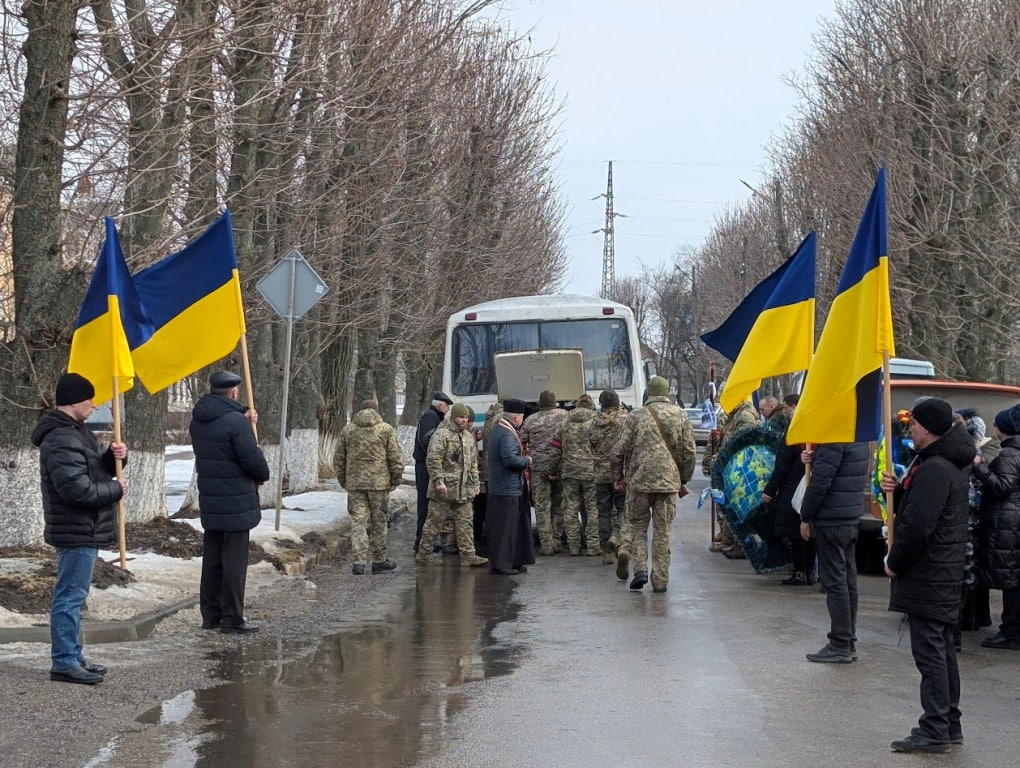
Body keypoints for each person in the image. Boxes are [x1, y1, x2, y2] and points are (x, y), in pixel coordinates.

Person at [880, 397, 971, 753]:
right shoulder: (943, 461)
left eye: (914, 424)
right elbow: (922, 507)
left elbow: (919, 526)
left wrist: (895, 561)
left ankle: (934, 728)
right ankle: (949, 723)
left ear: (930, 429)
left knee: (931, 653)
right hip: (942, 573)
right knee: (942, 650)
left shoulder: (935, 468)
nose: (910, 429)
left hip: (930, 574)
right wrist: (900, 490)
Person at [32, 373, 127, 684]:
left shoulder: (77, 432)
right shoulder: (61, 438)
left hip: (84, 527)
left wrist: (113, 458)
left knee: (74, 595)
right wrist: (116, 490)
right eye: (89, 399)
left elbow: (92, 470)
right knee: (69, 597)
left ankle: (73, 655)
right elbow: (76, 490)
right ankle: (63, 661)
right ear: (74, 401)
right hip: (75, 528)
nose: (94, 404)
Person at [190, 371, 270, 634]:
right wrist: (263, 473)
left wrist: (243, 414)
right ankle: (233, 618)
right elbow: (252, 460)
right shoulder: (236, 423)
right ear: (234, 392)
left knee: (212, 559)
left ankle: (210, 615)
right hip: (236, 501)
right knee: (234, 562)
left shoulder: (199, 419)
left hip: (211, 499)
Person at [611, 376, 696, 593]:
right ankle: (660, 580)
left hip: (639, 483)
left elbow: (618, 451)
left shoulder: (636, 416)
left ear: (648, 393)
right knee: (663, 531)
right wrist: (683, 478)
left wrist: (618, 478)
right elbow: (689, 451)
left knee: (638, 527)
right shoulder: (680, 415)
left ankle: (640, 568)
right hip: (668, 484)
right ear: (667, 393)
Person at [799, 439, 870, 663]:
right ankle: (848, 640)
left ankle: (840, 642)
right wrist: (814, 458)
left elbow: (821, 482)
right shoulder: (859, 439)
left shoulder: (834, 441)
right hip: (850, 516)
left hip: (832, 518)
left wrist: (805, 515)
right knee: (848, 580)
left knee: (835, 582)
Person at [335, 398, 403, 575]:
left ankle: (359, 562)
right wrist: (395, 479)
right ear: (376, 410)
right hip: (379, 485)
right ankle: (379, 560)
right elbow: (395, 457)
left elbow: (339, 458)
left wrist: (343, 480)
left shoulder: (348, 430)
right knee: (379, 522)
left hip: (355, 484)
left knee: (358, 522)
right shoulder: (386, 429)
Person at [416, 403, 489, 568]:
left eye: (466, 418)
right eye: (461, 417)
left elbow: (472, 464)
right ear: (454, 417)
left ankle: (468, 555)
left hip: (463, 490)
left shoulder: (468, 437)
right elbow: (433, 460)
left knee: (465, 523)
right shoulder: (441, 435)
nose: (464, 420)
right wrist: (438, 481)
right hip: (444, 490)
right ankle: (424, 553)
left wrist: (475, 483)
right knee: (434, 523)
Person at [973, 403, 1020, 651]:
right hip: (1011, 523)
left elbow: (1002, 486)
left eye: (997, 424)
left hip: (1008, 525)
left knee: (1011, 581)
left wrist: (979, 466)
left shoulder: (1010, 454)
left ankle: (1010, 633)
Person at [762, 399, 811, 585]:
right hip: (808, 486)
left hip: (793, 490)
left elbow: (782, 466)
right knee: (809, 534)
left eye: (787, 407)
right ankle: (809, 573)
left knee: (796, 534)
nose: (785, 411)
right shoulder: (814, 430)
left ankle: (800, 572)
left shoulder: (794, 432)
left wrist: (770, 491)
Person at [485, 398, 536, 575]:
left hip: (507, 487)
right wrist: (527, 461)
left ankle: (513, 560)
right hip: (506, 488)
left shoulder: (500, 430)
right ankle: (501, 564)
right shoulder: (506, 434)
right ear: (517, 417)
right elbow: (510, 460)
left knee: (512, 527)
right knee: (505, 529)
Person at [704, 397, 759, 557]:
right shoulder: (734, 414)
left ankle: (736, 542)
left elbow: (742, 442)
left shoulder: (744, 416)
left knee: (735, 506)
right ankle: (728, 538)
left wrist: (724, 455)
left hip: (738, 467)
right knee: (725, 502)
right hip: (730, 465)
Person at [519, 390, 567, 555]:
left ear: (540, 403)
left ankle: (546, 545)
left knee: (542, 506)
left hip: (538, 469)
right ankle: (557, 540)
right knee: (558, 505)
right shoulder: (564, 416)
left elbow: (521, 441)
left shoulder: (531, 420)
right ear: (555, 402)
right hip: (560, 467)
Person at [554, 393, 601, 556]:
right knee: (593, 508)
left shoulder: (564, 422)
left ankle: (574, 546)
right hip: (591, 471)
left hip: (569, 471)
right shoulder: (596, 421)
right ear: (591, 406)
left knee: (570, 509)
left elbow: (555, 448)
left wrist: (552, 469)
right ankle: (593, 546)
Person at [413, 391, 453, 553]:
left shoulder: (434, 417)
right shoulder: (431, 416)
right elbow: (427, 440)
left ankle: (424, 541)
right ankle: (421, 542)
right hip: (425, 466)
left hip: (426, 465)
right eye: (447, 406)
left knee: (427, 504)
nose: (448, 409)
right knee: (425, 504)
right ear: (440, 405)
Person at [590, 388, 627, 558]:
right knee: (623, 509)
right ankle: (616, 536)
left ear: (601, 404)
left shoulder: (593, 422)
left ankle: (606, 551)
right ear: (618, 403)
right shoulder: (626, 420)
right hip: (620, 473)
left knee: (603, 512)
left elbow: (590, 443)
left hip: (600, 475)